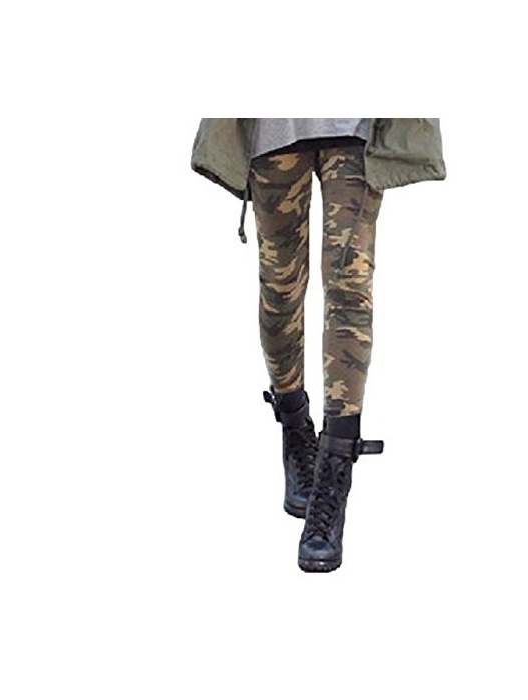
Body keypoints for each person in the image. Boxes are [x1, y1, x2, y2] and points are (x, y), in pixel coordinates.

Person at [191, 118, 446, 572]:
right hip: (274, 127)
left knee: (350, 287)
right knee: (280, 288)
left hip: (354, 126)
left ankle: (335, 465)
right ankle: (295, 429)